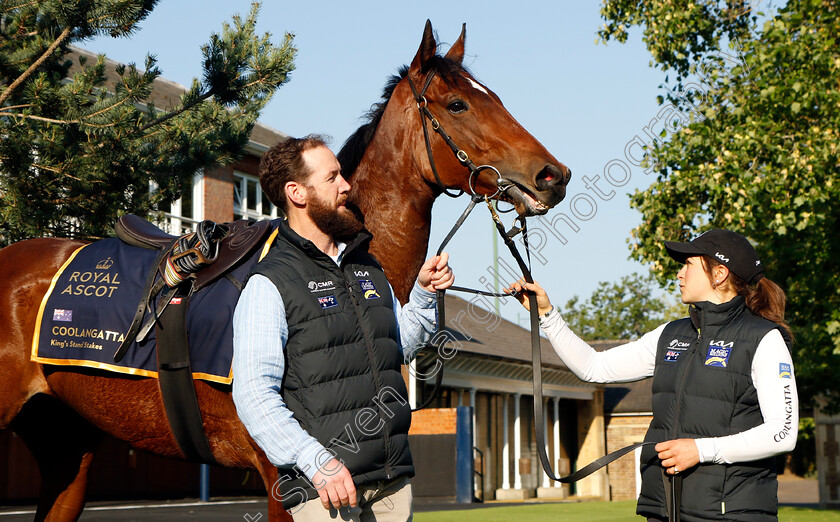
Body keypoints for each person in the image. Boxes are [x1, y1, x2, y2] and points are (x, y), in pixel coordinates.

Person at [232, 134, 454, 521]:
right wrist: (315, 461)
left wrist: (424, 294)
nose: (346, 186)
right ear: (296, 193)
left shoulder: (367, 265)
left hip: (392, 481)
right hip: (326, 490)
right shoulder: (269, 283)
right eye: (333, 177)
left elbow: (400, 346)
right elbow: (253, 394)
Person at [506, 229, 797, 521]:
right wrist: (546, 315)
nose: (679, 275)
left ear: (719, 273)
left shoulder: (764, 339)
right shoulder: (670, 334)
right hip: (664, 508)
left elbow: (782, 433)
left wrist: (701, 450)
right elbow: (594, 367)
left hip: (730, 512)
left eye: (688, 265)